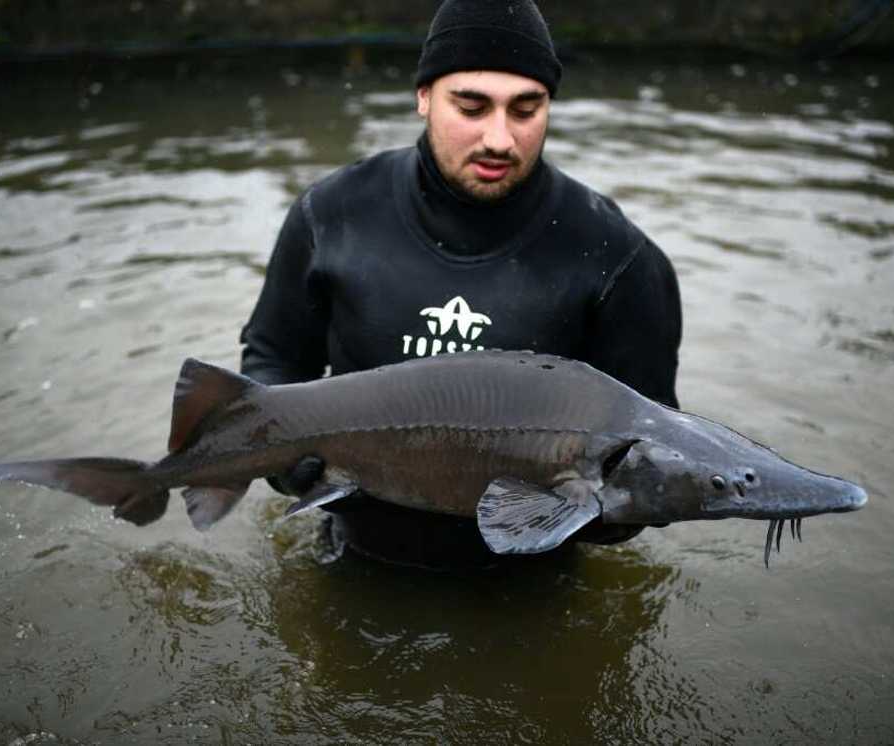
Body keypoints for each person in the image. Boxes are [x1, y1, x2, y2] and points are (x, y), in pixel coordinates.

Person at [239, 0, 682, 568]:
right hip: (358, 557)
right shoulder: (331, 215)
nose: (499, 138)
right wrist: (282, 457)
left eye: (526, 109)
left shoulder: (619, 258)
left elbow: (653, 453)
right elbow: (271, 361)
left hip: (529, 585)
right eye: (471, 107)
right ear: (424, 96)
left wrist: (613, 509)